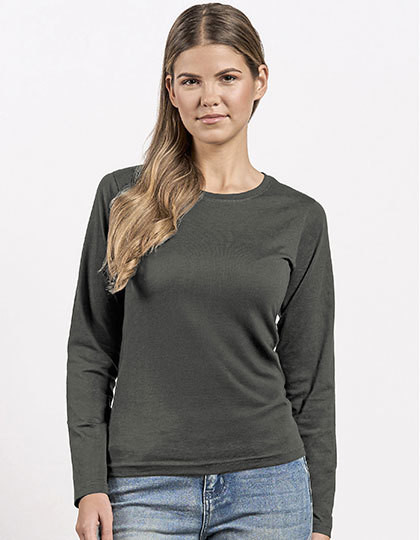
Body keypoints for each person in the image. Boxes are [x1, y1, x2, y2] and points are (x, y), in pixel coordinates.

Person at [66, 3, 337, 539]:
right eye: (191, 80)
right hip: (142, 488)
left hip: (269, 487)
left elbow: (311, 378)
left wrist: (319, 519)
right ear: (171, 90)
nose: (209, 97)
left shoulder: (299, 218)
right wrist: (89, 482)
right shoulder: (124, 197)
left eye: (228, 78)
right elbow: (92, 348)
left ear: (260, 82)